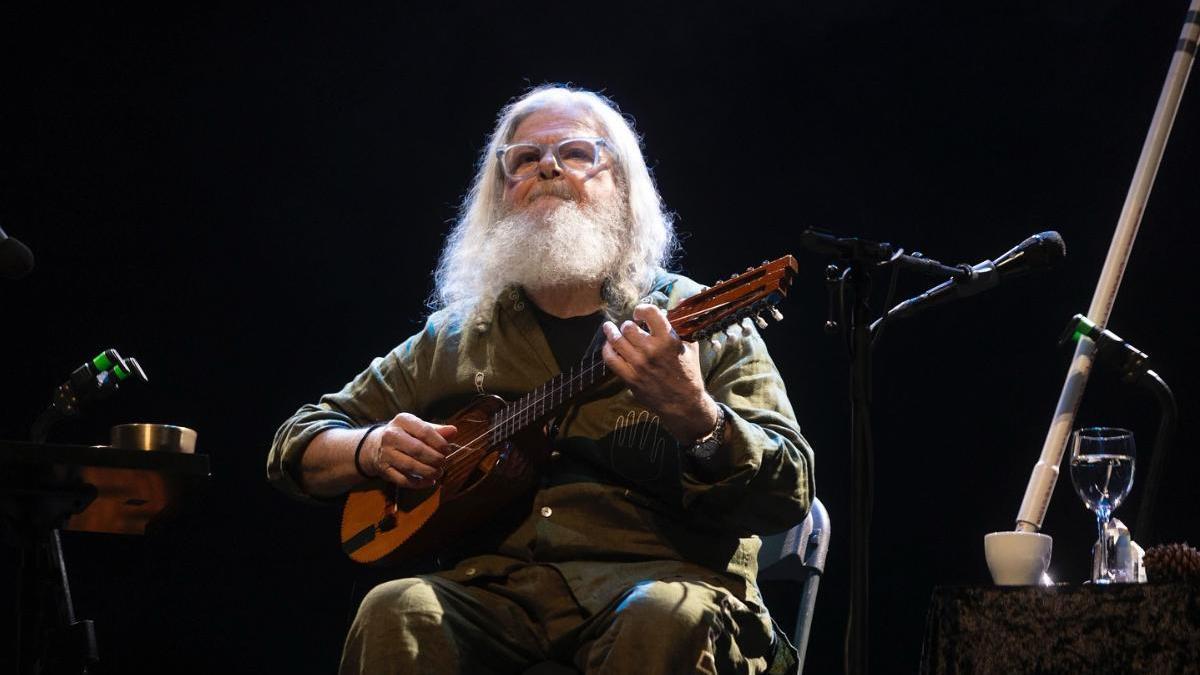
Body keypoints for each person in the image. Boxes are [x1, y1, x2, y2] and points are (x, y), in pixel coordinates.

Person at [268, 85, 814, 674]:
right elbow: (297, 441)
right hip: (493, 598)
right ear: (500, 195)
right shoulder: (457, 337)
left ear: (622, 186)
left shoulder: (689, 318)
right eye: (524, 159)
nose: (547, 167)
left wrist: (694, 414)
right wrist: (371, 447)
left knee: (662, 617)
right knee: (396, 608)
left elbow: (788, 489)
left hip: (659, 584)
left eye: (576, 153)